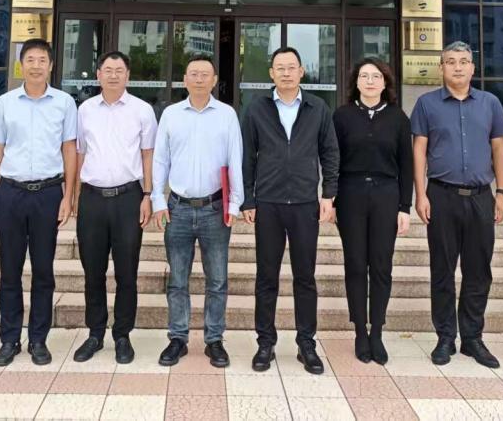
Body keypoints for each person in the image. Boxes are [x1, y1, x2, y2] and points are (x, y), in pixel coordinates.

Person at [240, 46, 339, 375]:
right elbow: (247, 156)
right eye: (279, 67)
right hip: (268, 204)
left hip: (304, 204)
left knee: (305, 277)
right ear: (271, 73)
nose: (285, 72)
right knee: (266, 277)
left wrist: (328, 194)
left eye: (291, 67)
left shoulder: (317, 108)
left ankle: (306, 343)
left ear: (301, 72)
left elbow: (330, 153)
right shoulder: (257, 108)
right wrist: (248, 199)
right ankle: (265, 343)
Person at [412, 41, 503, 369]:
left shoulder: (490, 103)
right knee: (442, 269)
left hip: (481, 197)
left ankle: (472, 337)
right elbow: (419, 151)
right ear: (441, 67)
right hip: (441, 195)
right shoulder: (426, 104)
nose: (457, 67)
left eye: (464, 61)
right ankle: (445, 337)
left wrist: (502, 193)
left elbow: (499, 149)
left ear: (473, 68)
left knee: (478, 270)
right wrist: (420, 194)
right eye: (451, 61)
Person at [0, 38, 78, 367]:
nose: (36, 65)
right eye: (30, 60)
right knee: (9, 271)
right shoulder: (5, 103)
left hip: (48, 194)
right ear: (21, 64)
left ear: (51, 65)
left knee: (43, 271)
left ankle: (39, 339)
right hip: (10, 193)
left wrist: (68, 196)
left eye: (42, 60)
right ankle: (9, 339)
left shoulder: (64, 103)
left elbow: (69, 149)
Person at [152, 55, 243, 369]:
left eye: (206, 74)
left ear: (215, 80)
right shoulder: (171, 114)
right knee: (178, 280)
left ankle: (214, 339)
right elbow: (160, 160)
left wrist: (235, 203)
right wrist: (158, 199)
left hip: (215, 209)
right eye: (194, 73)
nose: (200, 79)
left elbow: (235, 158)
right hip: (177, 208)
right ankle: (177, 338)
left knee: (217, 280)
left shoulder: (227, 115)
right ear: (185, 79)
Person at [72, 50, 157, 365]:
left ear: (128, 75)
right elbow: (79, 153)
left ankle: (122, 335)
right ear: (98, 74)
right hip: (92, 198)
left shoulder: (142, 110)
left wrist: (148, 194)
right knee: (92, 271)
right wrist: (74, 195)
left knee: (126, 272)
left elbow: (148, 155)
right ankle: (95, 333)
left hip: (128, 198)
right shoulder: (85, 110)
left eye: (119, 70)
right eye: (107, 70)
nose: (113, 75)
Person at [333, 58, 413, 365]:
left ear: (384, 82)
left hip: (386, 195)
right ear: (355, 82)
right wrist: (330, 198)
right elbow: (332, 160)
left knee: (381, 265)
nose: (370, 81)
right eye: (364, 76)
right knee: (355, 264)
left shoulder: (397, 118)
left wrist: (404, 207)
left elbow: (406, 165)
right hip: (350, 195)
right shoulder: (342, 116)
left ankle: (377, 331)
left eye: (376, 76)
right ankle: (359, 332)